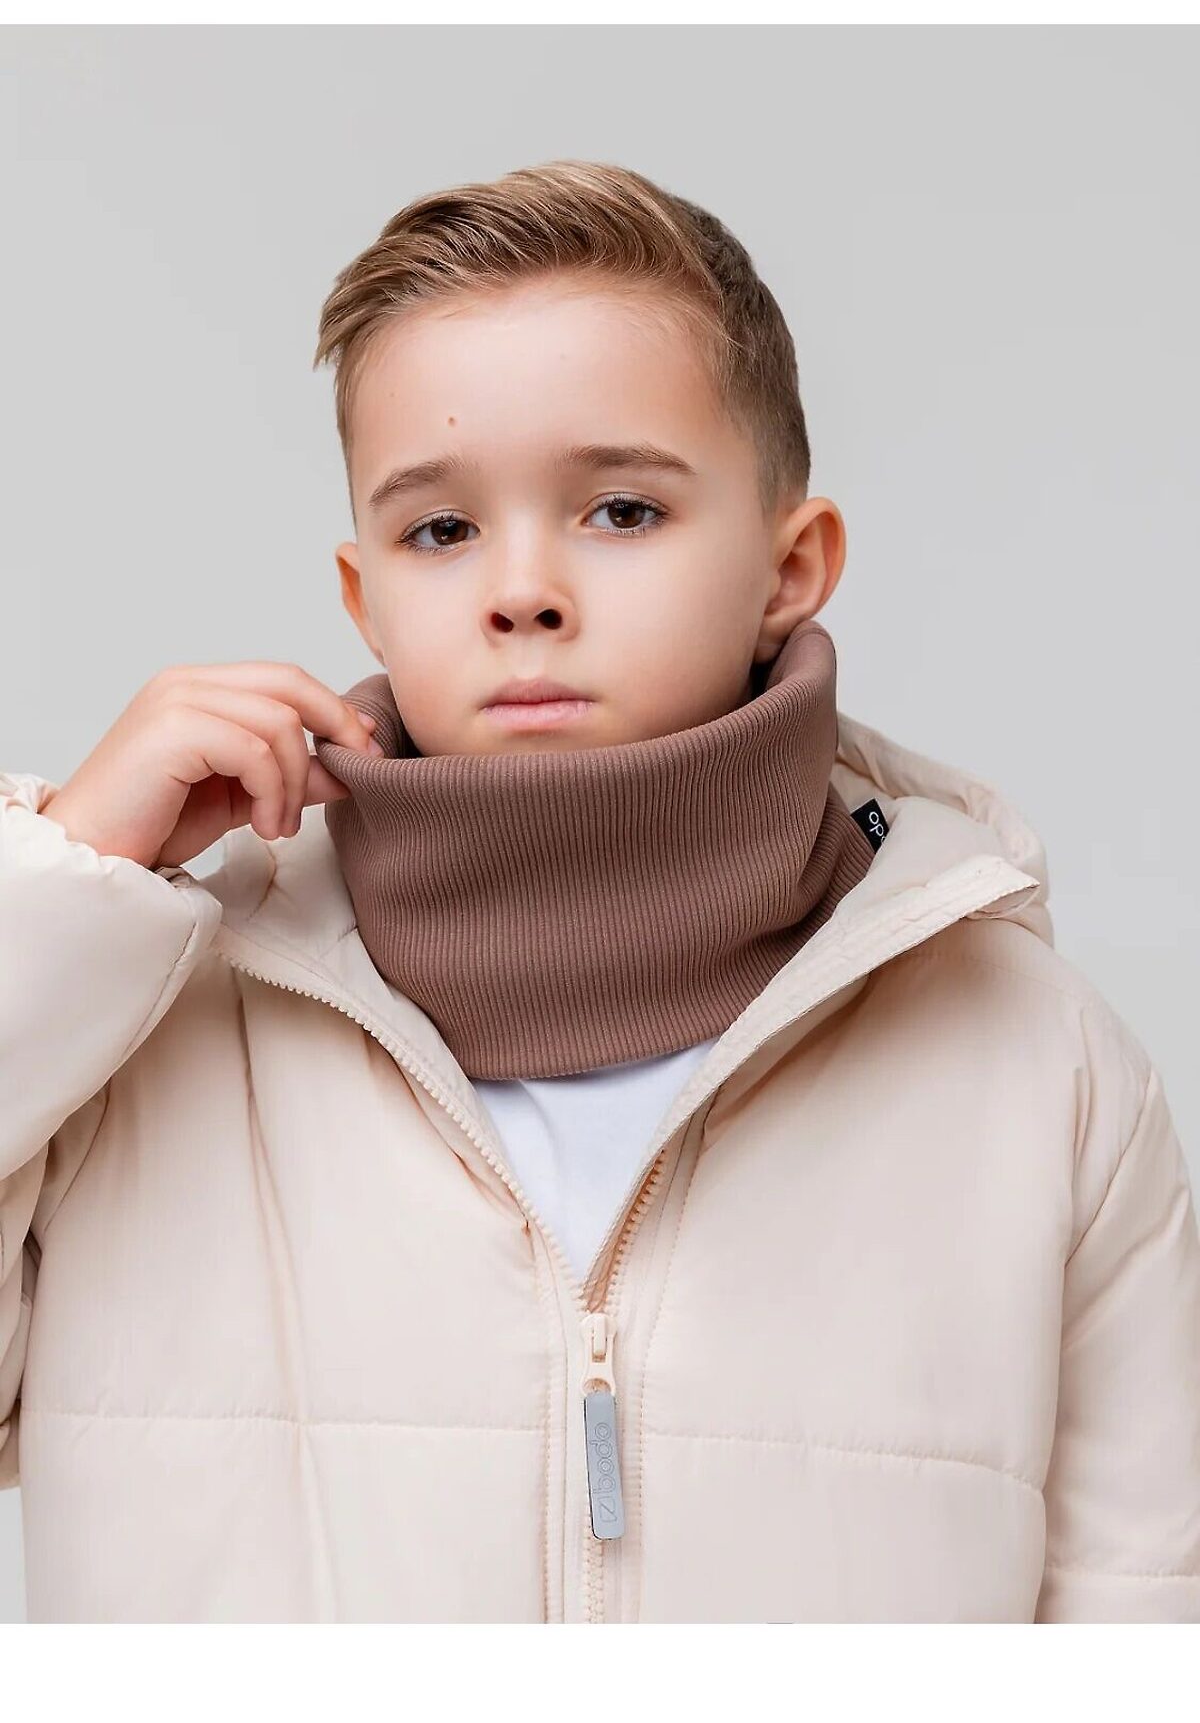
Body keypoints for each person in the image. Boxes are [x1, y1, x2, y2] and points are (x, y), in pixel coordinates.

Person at [2, 159, 1197, 1624]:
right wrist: (63, 884)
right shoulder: (135, 1024)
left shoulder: (1041, 1066)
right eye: (441, 530)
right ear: (363, 594)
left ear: (790, 568)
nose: (521, 589)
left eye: (621, 510)